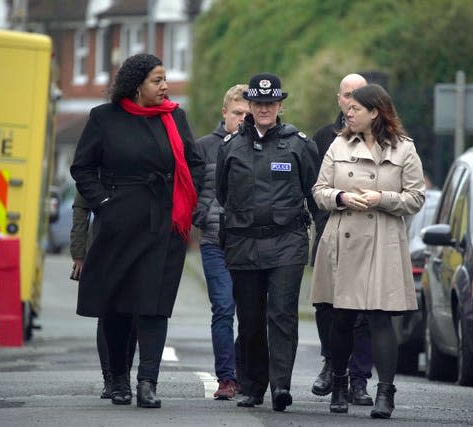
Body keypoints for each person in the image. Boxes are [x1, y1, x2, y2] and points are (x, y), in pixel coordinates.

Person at [70, 53, 204, 409]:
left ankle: (147, 382)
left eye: (165, 79)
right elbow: (82, 168)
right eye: (157, 80)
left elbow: (195, 165)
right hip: (117, 224)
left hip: (163, 224)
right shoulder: (103, 118)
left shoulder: (175, 117)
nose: (165, 86)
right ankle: (117, 379)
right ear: (136, 86)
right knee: (115, 305)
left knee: (154, 306)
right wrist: (104, 203)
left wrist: (187, 204)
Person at [311, 84, 425, 418]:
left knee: (379, 318)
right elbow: (319, 191)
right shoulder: (338, 143)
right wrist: (342, 198)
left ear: (375, 111)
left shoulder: (404, 149)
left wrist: (382, 199)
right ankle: (340, 384)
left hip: (383, 238)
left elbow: (416, 198)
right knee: (341, 317)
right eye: (348, 109)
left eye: (356, 109)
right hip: (343, 238)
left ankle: (385, 393)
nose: (348, 112)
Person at [215, 73, 319, 412]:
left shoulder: (299, 144)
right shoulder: (231, 147)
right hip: (244, 243)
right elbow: (222, 192)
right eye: (258, 103)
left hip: (287, 242)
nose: (264, 109)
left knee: (282, 315)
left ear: (280, 105)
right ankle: (253, 386)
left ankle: (281, 386)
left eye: (270, 103)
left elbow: (312, 193)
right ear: (249, 105)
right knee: (250, 318)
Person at [309, 73, 375, 406]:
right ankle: (331, 364)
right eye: (346, 95)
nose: (351, 101)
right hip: (330, 231)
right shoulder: (322, 138)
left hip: (366, 235)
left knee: (362, 310)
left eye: (358, 95)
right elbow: (312, 188)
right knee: (327, 305)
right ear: (338, 99)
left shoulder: (379, 138)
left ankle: (359, 379)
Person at [193, 84, 248, 400]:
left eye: (246, 113)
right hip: (214, 239)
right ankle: (226, 378)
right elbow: (192, 189)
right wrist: (201, 215)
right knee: (224, 308)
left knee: (252, 312)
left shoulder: (257, 146)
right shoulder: (203, 147)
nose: (242, 119)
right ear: (224, 113)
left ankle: (247, 374)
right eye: (237, 113)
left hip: (249, 241)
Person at [69, 191, 137, 399]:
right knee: (106, 312)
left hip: (137, 245)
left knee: (133, 311)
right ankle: (112, 378)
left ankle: (122, 375)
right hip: (102, 246)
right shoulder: (95, 163)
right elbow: (81, 207)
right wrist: (79, 253)